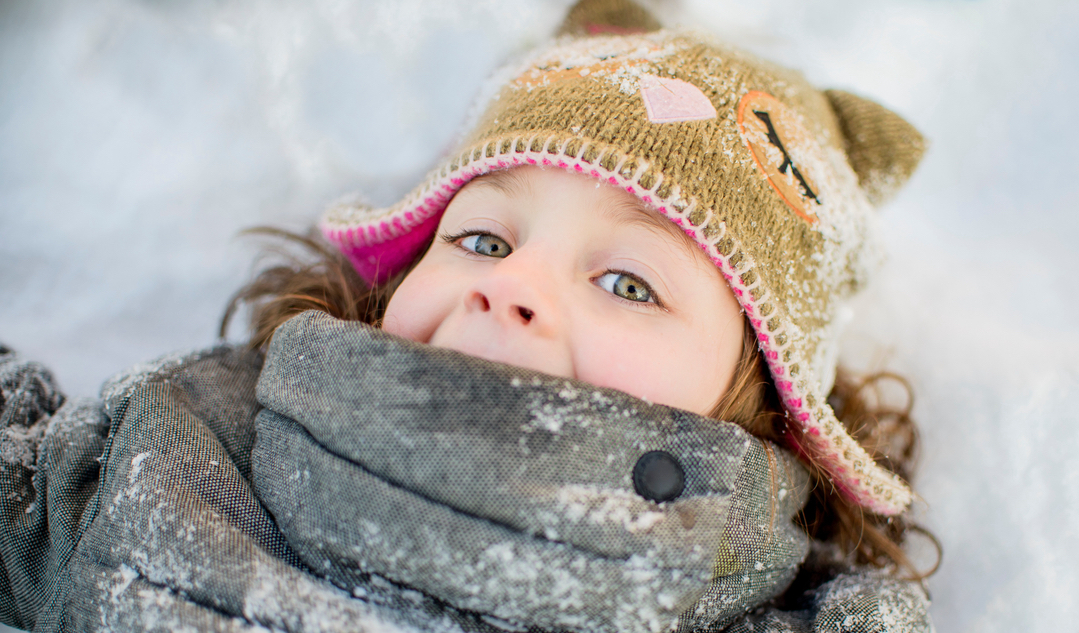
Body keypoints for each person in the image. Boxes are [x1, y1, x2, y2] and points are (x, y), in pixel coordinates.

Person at [0, 1, 937, 631]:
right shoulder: (192, 455)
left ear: (762, 404)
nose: (515, 284)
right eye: (484, 239)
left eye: (626, 282)